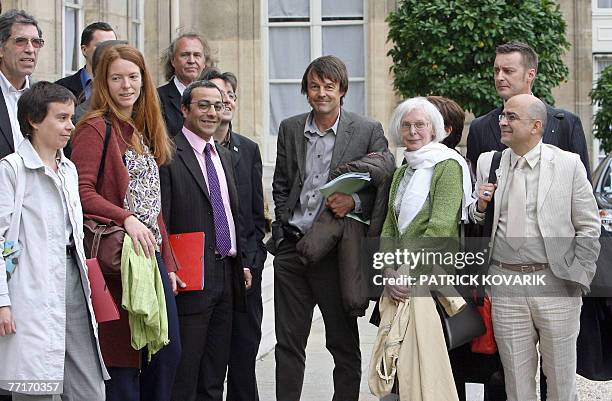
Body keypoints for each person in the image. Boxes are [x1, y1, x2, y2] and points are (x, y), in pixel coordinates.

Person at [269, 55, 390, 401]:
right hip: (292, 249)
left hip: (336, 251)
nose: (321, 93)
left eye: (329, 86)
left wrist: (354, 203)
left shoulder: (366, 130)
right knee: (288, 343)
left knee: (342, 344)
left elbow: (383, 180)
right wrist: (280, 232)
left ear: (342, 91)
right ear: (306, 91)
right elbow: (281, 184)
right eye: (314, 86)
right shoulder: (290, 128)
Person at [470, 94, 601, 401]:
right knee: (515, 383)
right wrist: (480, 204)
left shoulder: (568, 165)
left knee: (560, 381)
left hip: (556, 282)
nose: (502, 121)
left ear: (536, 126)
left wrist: (579, 276)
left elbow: (589, 226)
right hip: (506, 286)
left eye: (511, 117)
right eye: (503, 116)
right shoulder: (490, 162)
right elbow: (477, 217)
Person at [69, 44, 181, 401]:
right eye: (116, 78)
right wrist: (126, 218)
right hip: (118, 259)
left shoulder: (143, 128)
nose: (126, 85)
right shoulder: (94, 127)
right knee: (123, 363)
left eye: (133, 77)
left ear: (144, 80)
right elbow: (81, 191)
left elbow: (152, 205)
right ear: (104, 82)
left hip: (152, 257)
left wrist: (171, 263)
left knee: (165, 354)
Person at [0, 81, 109, 400]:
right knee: (35, 388)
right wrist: (2, 301)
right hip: (30, 289)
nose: (70, 126)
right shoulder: (11, 171)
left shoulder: (69, 170)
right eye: (61, 118)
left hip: (74, 282)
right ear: (34, 120)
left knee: (89, 390)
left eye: (71, 118)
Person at [370, 97, 474, 401]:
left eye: (420, 125)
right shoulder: (404, 171)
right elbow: (390, 226)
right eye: (406, 125)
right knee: (395, 361)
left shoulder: (447, 166)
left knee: (425, 366)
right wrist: (388, 270)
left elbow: (440, 228)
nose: (413, 131)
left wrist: (406, 273)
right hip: (398, 279)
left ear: (434, 130)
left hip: (429, 279)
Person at [159, 80, 250, 401]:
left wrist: (241, 260)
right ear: (184, 109)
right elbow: (162, 221)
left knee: (214, 376)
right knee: (185, 374)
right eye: (203, 105)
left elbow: (231, 212)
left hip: (227, 275)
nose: (212, 113)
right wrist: (169, 267)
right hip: (189, 277)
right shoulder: (167, 155)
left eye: (217, 105)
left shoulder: (223, 156)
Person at [200, 67, 267, 401]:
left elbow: (256, 214)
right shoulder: (189, 151)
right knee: (209, 361)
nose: (221, 101)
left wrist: (253, 262)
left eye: (228, 95)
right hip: (207, 268)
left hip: (245, 269)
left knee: (244, 354)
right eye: (213, 94)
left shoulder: (248, 149)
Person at [466, 41, 591, 181]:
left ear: (530, 75)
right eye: (496, 71)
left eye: (508, 71)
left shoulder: (566, 123)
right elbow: (474, 187)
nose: (499, 77)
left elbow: (583, 187)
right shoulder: (480, 127)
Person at [0, 9, 43, 158]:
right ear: (1, 48)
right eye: (20, 41)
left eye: (36, 42)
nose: (30, 50)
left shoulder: (44, 97)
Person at [158, 33, 214, 137]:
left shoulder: (215, 98)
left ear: (204, 62)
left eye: (197, 55)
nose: (191, 61)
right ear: (173, 61)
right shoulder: (156, 98)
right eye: (185, 55)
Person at [55, 21, 117, 102]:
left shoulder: (125, 87)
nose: (107, 51)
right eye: (100, 46)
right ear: (84, 50)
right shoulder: (60, 88)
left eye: (111, 46)